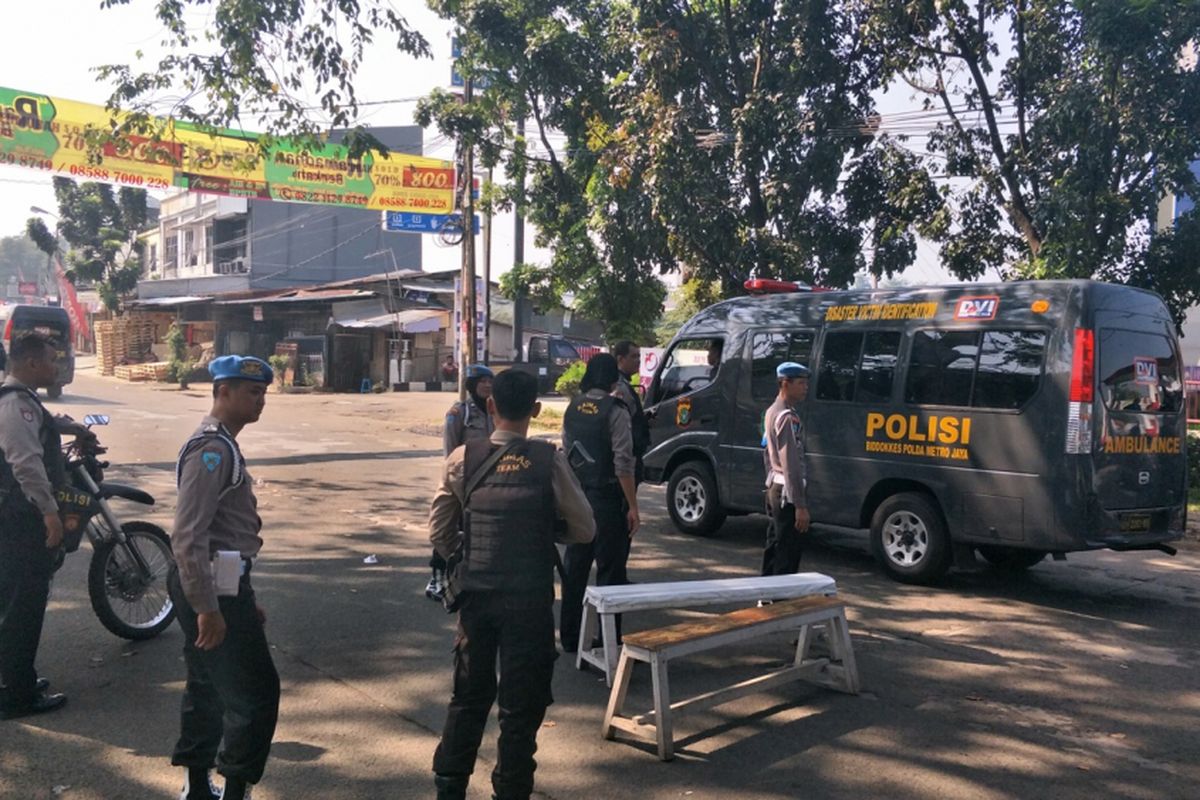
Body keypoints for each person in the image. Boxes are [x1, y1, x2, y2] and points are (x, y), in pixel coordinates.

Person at [429, 369, 594, 800]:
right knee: (520, 712)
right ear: (536, 411)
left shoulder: (463, 458)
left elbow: (440, 532)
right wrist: (542, 529)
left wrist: (466, 557)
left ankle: (450, 787)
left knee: (467, 699)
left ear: (490, 406)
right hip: (529, 604)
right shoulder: (548, 460)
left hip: (477, 599)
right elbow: (584, 529)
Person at [169, 355, 279, 800]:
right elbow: (188, 535)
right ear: (223, 392)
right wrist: (208, 608)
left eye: (263, 393)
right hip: (209, 586)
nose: (260, 401)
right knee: (256, 693)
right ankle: (234, 790)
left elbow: (216, 536)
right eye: (252, 392)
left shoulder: (223, 445)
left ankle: (198, 788)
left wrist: (238, 596)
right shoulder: (212, 450)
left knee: (207, 685)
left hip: (221, 582)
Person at [0, 334, 68, 721]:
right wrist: (49, 512)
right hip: (20, 518)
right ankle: (16, 695)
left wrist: (67, 428)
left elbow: (38, 430)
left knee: (13, 602)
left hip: (12, 516)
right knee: (23, 607)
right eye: (50, 360)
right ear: (29, 363)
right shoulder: (15, 404)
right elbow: (26, 462)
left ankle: (16, 678)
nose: (55, 366)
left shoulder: (22, 399)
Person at [559, 353, 641, 653]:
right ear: (611, 379)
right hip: (607, 500)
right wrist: (632, 505)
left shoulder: (572, 408)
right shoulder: (615, 410)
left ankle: (569, 637)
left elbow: (566, 455)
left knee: (575, 568)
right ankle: (609, 642)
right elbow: (623, 462)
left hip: (578, 497)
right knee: (610, 572)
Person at [427, 364, 495, 601]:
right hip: (461, 480)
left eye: (489, 381)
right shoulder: (459, 413)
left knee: (476, 529)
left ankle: (470, 578)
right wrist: (453, 482)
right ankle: (438, 579)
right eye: (481, 381)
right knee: (449, 527)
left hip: (487, 480)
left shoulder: (494, 411)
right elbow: (450, 451)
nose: (487, 385)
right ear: (471, 386)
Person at [761, 361, 811, 576]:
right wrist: (800, 505)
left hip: (776, 485)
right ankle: (780, 602)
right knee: (787, 552)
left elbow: (766, 452)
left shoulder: (773, 410)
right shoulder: (786, 416)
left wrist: (769, 482)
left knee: (775, 543)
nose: (805, 387)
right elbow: (790, 462)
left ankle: (765, 595)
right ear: (785, 384)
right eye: (800, 383)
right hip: (786, 493)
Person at [611, 340, 651, 484]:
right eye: (634, 356)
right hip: (627, 455)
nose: (638, 361)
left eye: (639, 356)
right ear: (621, 359)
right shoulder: (620, 386)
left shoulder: (624, 383)